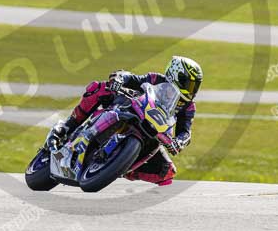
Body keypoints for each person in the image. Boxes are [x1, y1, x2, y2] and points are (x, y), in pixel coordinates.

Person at [45, 55, 202, 186]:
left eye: (196, 85)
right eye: (189, 83)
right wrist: (119, 79)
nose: (192, 89)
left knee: (167, 172)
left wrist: (179, 141)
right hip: (129, 108)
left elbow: (185, 131)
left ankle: (123, 169)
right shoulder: (156, 79)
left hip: (153, 132)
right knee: (100, 88)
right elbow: (132, 78)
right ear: (176, 75)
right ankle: (67, 126)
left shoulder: (188, 107)